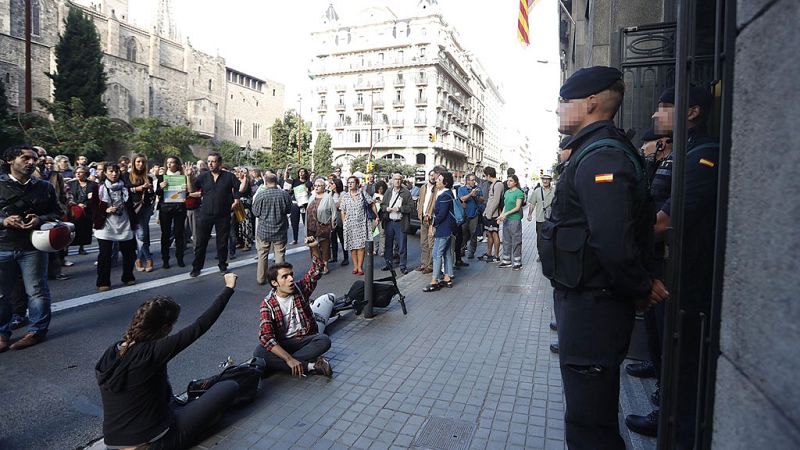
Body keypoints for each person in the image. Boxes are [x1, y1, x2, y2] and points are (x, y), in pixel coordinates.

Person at [542, 66, 668, 449]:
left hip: (594, 306)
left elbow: (613, 239)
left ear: (591, 102)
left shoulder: (601, 157)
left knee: (588, 424)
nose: (559, 109)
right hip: (589, 301)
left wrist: (640, 286)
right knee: (589, 415)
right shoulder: (595, 150)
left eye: (565, 101)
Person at [625, 86, 717, 445]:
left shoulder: (702, 155)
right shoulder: (682, 153)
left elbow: (665, 221)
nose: (654, 114)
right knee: (664, 343)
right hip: (668, 266)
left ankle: (675, 423)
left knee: (682, 354)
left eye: (665, 107)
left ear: (692, 111)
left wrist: (624, 242)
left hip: (686, 273)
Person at [96, 273, 241, 450]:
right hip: (153, 442)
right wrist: (229, 288)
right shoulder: (154, 351)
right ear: (165, 327)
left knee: (168, 392)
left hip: (114, 443)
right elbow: (201, 325)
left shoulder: (112, 351)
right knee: (229, 387)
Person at [0, 145, 63, 352]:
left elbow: (57, 213)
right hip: (3, 246)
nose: (31, 162)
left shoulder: (44, 187)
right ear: (10, 160)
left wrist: (40, 219)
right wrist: (4, 220)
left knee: (37, 292)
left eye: (34, 159)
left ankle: (36, 331)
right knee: (2, 294)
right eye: (25, 158)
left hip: (33, 247)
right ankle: (2, 333)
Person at [253, 237, 333, 377]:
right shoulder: (268, 304)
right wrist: (288, 359)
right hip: (284, 342)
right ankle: (310, 366)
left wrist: (314, 247)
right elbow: (266, 337)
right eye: (285, 277)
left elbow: (316, 271)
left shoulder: (299, 289)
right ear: (274, 283)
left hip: (304, 339)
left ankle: (280, 365)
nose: (291, 279)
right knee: (259, 352)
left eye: (291, 275)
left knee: (324, 340)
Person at [188, 152, 241, 277]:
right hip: (205, 214)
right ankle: (197, 267)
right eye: (209, 161)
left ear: (219, 163)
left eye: (213, 161)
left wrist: (237, 199)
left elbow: (239, 189)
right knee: (201, 243)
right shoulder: (203, 176)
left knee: (222, 242)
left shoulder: (229, 176)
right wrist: (189, 177)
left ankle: (222, 265)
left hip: (223, 214)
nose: (210, 164)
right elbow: (191, 190)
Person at [91, 164, 138, 292]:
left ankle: (128, 276)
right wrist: (105, 210)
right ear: (105, 173)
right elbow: (93, 206)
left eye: (116, 171)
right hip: (106, 224)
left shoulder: (125, 187)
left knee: (129, 253)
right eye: (111, 171)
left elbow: (131, 205)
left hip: (124, 222)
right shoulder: (98, 188)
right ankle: (103, 281)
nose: (114, 174)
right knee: (105, 254)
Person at [252, 173, 291, 285]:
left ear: (265, 181)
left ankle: (261, 278)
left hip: (264, 230)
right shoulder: (284, 194)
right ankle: (280, 278)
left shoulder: (261, 195)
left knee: (262, 254)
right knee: (279, 254)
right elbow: (288, 210)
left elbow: (255, 212)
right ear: (277, 180)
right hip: (280, 229)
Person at [423, 171, 456, 292]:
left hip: (443, 230)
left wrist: (433, 224)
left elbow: (441, 215)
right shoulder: (448, 194)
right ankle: (447, 277)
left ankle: (434, 280)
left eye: (439, 180)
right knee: (446, 253)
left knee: (436, 254)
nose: (436, 181)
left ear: (445, 183)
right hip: (449, 229)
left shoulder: (444, 196)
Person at [124, 154, 156, 272]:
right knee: (138, 234)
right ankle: (146, 258)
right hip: (130, 208)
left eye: (143, 162)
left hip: (144, 208)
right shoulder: (127, 175)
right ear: (133, 163)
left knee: (143, 233)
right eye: (138, 162)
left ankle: (141, 259)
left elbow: (151, 195)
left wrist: (150, 189)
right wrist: (138, 188)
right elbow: (124, 189)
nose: (140, 164)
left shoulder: (149, 178)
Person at [155, 156, 188, 269]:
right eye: (167, 162)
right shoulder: (162, 177)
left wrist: (185, 190)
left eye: (172, 162)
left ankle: (180, 258)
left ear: (177, 165)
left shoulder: (183, 177)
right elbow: (157, 193)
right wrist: (160, 187)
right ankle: (165, 259)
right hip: (165, 208)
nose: (169, 165)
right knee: (165, 234)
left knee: (179, 233)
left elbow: (187, 194)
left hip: (179, 207)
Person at [416, 166, 446, 274]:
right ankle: (424, 264)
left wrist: (431, 214)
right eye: (431, 175)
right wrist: (419, 211)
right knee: (423, 243)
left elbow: (435, 203)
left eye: (434, 175)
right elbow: (420, 201)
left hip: (431, 219)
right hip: (423, 218)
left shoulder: (437, 188)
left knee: (431, 243)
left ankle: (431, 265)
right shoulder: (423, 187)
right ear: (428, 176)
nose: (433, 177)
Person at [380, 173, 413, 274]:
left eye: (399, 179)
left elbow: (411, 207)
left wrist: (400, 209)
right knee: (388, 244)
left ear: (401, 181)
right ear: (392, 180)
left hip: (400, 222)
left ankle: (403, 266)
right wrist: (386, 208)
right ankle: (388, 263)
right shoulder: (388, 191)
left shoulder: (406, 193)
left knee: (402, 245)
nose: (397, 181)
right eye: (395, 179)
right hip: (389, 222)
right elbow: (382, 205)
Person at [305, 178, 337, 274]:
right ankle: (316, 265)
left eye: (319, 186)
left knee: (325, 245)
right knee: (313, 246)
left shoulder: (328, 197)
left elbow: (334, 211)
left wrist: (333, 222)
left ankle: (325, 265)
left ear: (324, 187)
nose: (316, 187)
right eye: (315, 185)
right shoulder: (312, 196)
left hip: (324, 225)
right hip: (311, 225)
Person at [339, 176, 369, 275]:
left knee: (361, 246)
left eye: (352, 182)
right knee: (352, 247)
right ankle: (355, 266)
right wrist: (344, 223)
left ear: (357, 184)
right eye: (349, 182)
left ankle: (360, 267)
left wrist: (376, 217)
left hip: (361, 223)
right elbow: (342, 211)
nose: (350, 184)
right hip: (350, 224)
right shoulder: (345, 196)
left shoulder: (362, 194)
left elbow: (372, 203)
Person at [67, 166, 97, 257]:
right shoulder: (71, 184)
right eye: (77, 172)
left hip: (87, 210)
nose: (78, 174)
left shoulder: (93, 184)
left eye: (81, 172)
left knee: (84, 229)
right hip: (74, 209)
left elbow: (95, 198)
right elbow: (68, 196)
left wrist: (86, 204)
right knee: (71, 229)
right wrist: (76, 204)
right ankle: (66, 248)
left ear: (86, 174)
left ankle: (81, 248)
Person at [497, 174, 525, 270]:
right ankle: (506, 260)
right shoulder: (507, 192)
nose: (508, 182)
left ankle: (517, 262)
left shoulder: (519, 193)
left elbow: (517, 207)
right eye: (508, 180)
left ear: (515, 182)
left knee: (516, 241)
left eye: (511, 181)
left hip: (515, 219)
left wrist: (506, 214)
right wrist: (501, 216)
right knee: (506, 240)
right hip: (507, 219)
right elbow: (505, 206)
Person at [527, 173, 555, 262]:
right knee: (540, 239)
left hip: (552, 219)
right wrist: (529, 214)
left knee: (552, 238)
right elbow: (532, 203)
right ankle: (541, 255)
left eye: (547, 179)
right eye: (543, 179)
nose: (545, 181)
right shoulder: (537, 191)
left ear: (550, 180)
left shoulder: (555, 191)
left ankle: (550, 255)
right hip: (540, 219)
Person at [456, 174, 483, 261]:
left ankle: (471, 251)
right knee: (463, 233)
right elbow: (462, 199)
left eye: (474, 180)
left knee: (473, 233)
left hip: (474, 214)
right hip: (464, 215)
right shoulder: (461, 189)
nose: (473, 181)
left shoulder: (477, 189)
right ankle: (462, 249)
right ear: (467, 180)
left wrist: (476, 196)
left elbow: (482, 200)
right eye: (472, 180)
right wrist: (471, 194)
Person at [283, 166, 312, 245]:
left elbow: (312, 192)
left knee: (306, 222)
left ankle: (307, 239)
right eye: (300, 172)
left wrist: (308, 191)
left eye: (303, 172)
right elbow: (286, 180)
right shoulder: (295, 181)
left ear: (306, 174)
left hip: (305, 204)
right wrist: (287, 171)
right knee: (294, 222)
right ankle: (295, 239)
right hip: (295, 203)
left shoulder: (308, 182)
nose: (301, 173)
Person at [480, 167, 503, 263]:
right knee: (489, 234)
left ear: (488, 175)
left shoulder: (498, 184)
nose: (485, 177)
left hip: (493, 215)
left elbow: (496, 201)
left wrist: (489, 214)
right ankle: (489, 253)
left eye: (485, 175)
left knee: (494, 233)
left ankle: (497, 255)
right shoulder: (493, 184)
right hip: (488, 213)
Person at [328, 178, 348, 266]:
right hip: (332, 217)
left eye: (332, 183)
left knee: (342, 238)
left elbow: (339, 205)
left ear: (336, 184)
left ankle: (346, 257)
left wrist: (333, 206)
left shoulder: (343, 194)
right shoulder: (330, 194)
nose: (330, 185)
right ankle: (334, 256)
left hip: (340, 217)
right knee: (333, 238)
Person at [371, 180, 388, 257]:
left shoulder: (386, 196)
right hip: (374, 216)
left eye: (381, 189)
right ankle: (374, 249)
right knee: (373, 233)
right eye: (379, 189)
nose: (380, 191)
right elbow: (372, 205)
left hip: (382, 217)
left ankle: (382, 250)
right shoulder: (374, 195)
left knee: (382, 234)